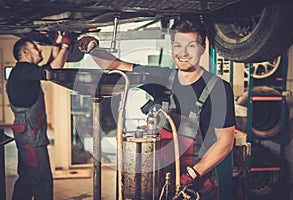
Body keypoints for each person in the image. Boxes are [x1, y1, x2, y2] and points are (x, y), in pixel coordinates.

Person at [78, 16, 235, 200]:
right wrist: (92, 49)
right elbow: (116, 65)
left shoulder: (218, 88)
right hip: (159, 182)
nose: (183, 52)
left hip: (197, 185)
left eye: (191, 46)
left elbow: (225, 142)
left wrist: (192, 174)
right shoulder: (161, 78)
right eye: (178, 45)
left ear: (202, 48)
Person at [6, 32, 70, 200]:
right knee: (42, 180)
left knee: (27, 179)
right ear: (25, 52)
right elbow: (54, 70)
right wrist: (65, 45)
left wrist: (57, 46)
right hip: (31, 137)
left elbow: (49, 67)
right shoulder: (24, 70)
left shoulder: (23, 72)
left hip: (27, 134)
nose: (39, 50)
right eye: (34, 48)